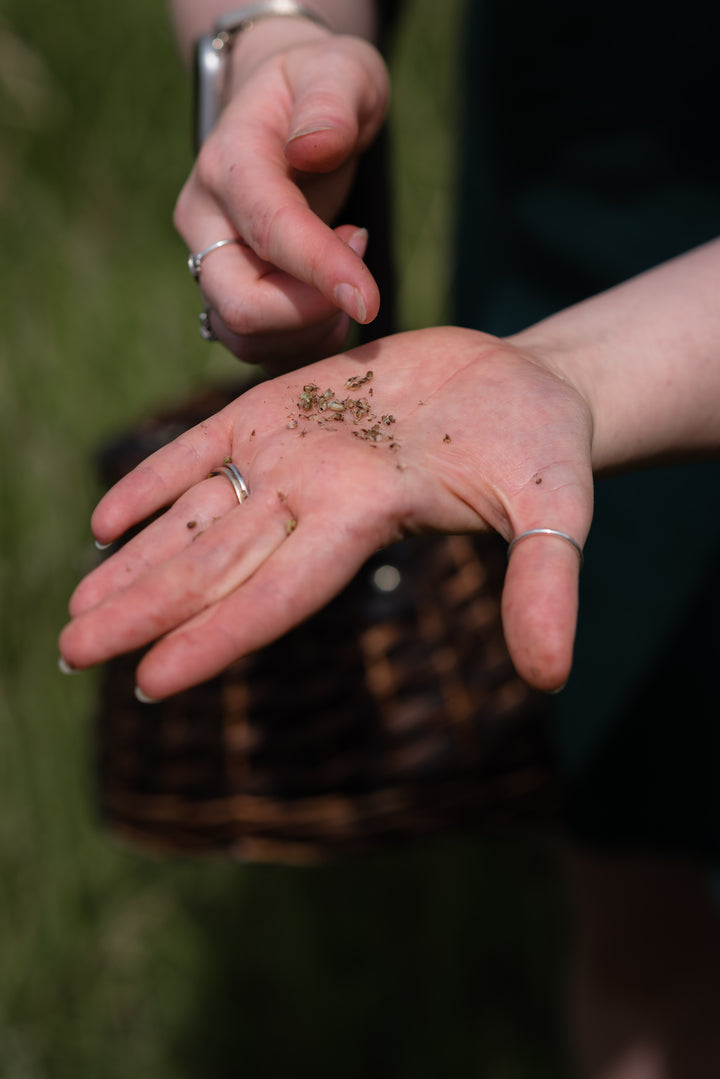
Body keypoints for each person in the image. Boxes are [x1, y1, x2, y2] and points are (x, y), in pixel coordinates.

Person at [60, 1, 720, 1074]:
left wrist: (590, 372)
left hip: (628, 345)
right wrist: (282, 42)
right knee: (643, 898)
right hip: (585, 205)